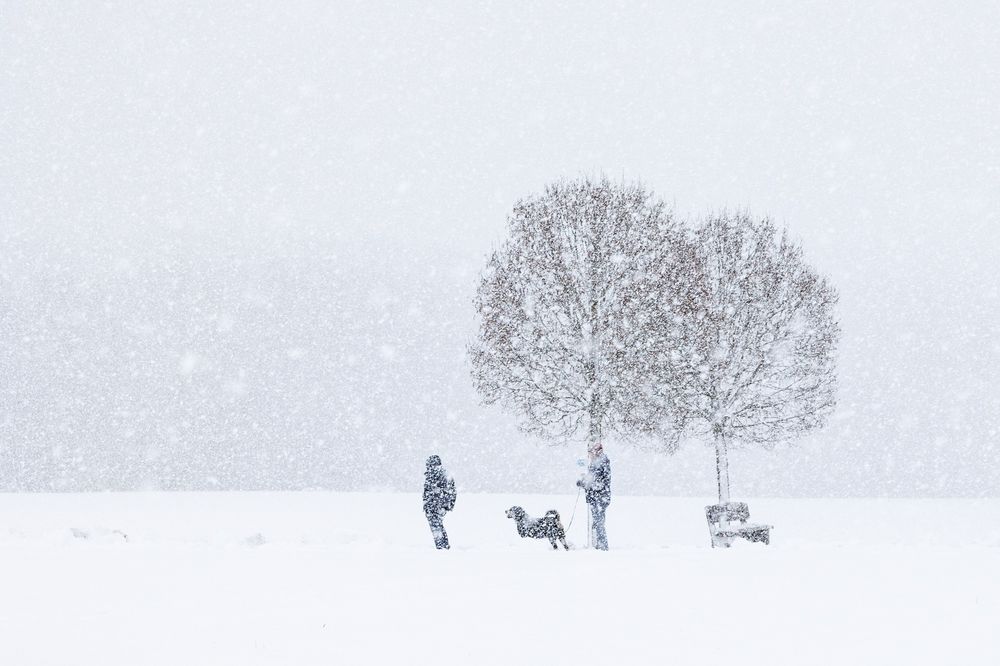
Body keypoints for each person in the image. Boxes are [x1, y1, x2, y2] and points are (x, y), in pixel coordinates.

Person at [577, 442, 611, 550]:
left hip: (600, 497)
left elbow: (600, 482)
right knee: (597, 522)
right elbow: (592, 478)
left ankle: (603, 546)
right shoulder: (595, 462)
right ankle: (598, 545)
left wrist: (586, 484)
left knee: (598, 522)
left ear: (596, 451)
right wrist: (584, 481)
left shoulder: (602, 462)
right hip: (596, 497)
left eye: (591, 451)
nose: (589, 454)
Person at [422, 454, 456, 549]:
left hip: (436, 505)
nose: (428, 467)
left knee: (436, 526)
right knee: (437, 525)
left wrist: (444, 505)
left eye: (429, 464)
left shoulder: (439, 474)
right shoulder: (436, 474)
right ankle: (443, 545)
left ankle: (441, 546)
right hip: (434, 505)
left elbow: (450, 492)